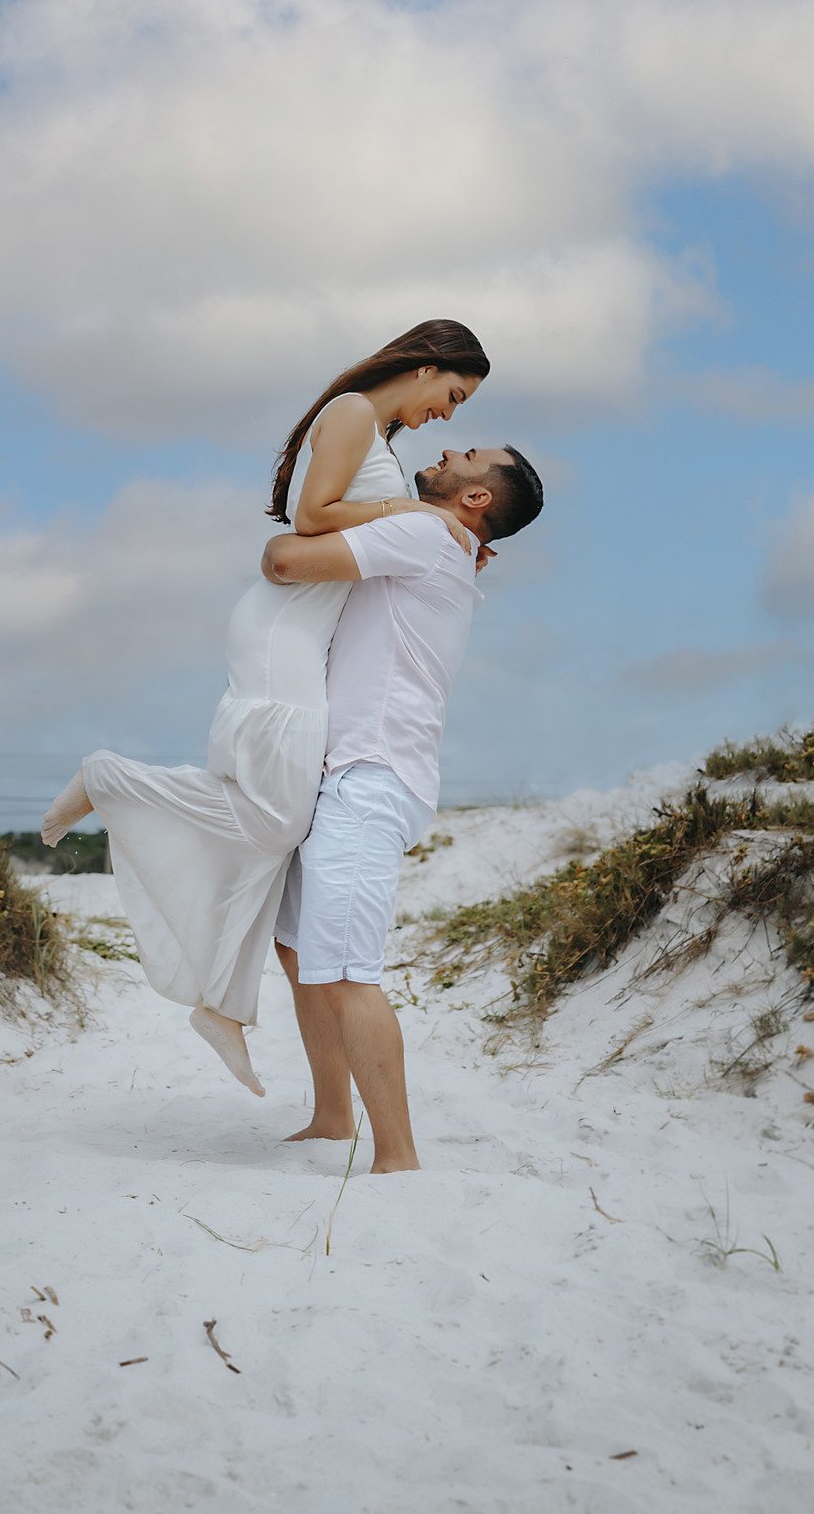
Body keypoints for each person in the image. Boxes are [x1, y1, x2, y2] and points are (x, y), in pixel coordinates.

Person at [40, 322, 490, 1095]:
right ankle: (109, 777)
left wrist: (433, 526)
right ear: (424, 368)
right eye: (452, 396)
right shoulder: (350, 412)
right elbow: (310, 518)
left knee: (272, 839)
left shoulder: (374, 435)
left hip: (298, 631)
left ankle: (224, 1005)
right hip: (284, 628)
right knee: (276, 824)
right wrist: (421, 519)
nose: (448, 417)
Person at [264, 443, 544, 1172]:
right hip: (352, 772)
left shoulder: (425, 532)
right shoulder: (438, 540)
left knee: (351, 972)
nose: (449, 447)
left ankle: (398, 1156)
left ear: (476, 498)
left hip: (371, 777)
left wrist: (405, 509)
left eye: (470, 454)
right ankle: (332, 1115)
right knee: (297, 950)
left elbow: (284, 560)